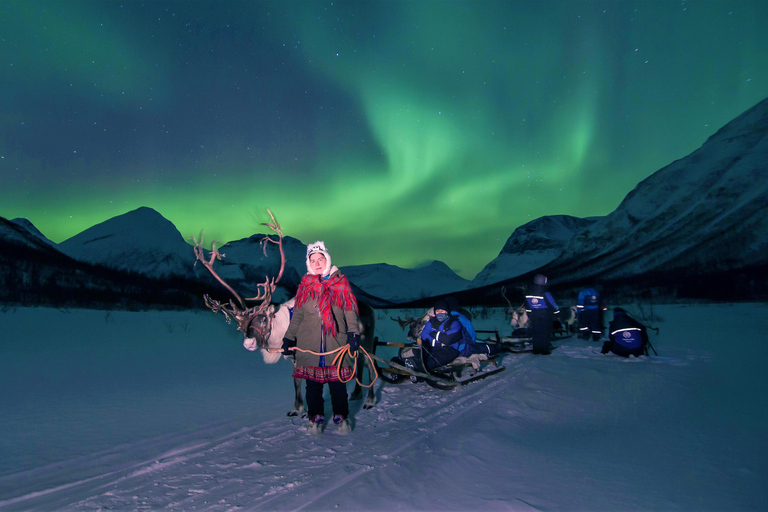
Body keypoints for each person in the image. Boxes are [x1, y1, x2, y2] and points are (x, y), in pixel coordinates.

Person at [282, 241, 360, 435]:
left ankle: (341, 416)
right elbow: (298, 315)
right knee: (313, 387)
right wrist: (289, 337)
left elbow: (349, 310)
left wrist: (353, 334)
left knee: (338, 385)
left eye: (321, 259)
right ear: (309, 264)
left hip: (336, 343)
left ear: (327, 260)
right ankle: (314, 417)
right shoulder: (305, 286)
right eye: (313, 260)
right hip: (310, 345)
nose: (317, 263)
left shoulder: (340, 283)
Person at [525, 274, 559, 355]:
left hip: (534, 315)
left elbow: (527, 304)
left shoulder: (528, 292)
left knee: (536, 332)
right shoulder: (545, 292)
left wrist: (529, 314)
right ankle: (544, 350)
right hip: (545, 315)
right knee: (545, 332)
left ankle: (536, 349)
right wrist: (557, 312)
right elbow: (552, 303)